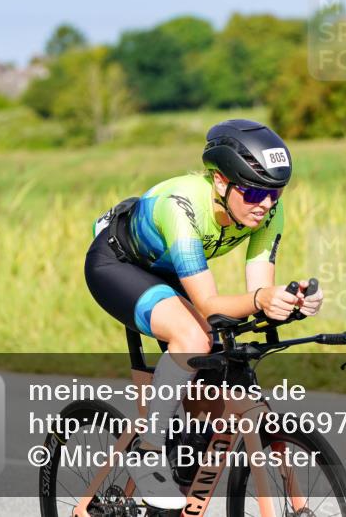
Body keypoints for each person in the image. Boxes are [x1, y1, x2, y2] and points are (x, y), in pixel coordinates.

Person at [84, 118, 323, 510]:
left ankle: (182, 467)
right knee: (194, 336)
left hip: (169, 274)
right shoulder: (181, 206)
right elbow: (211, 304)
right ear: (220, 182)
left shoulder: (268, 212)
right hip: (117, 265)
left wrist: (291, 302)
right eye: (252, 192)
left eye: (274, 193)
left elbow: (258, 292)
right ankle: (148, 450)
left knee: (211, 396)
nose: (265, 205)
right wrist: (262, 299)